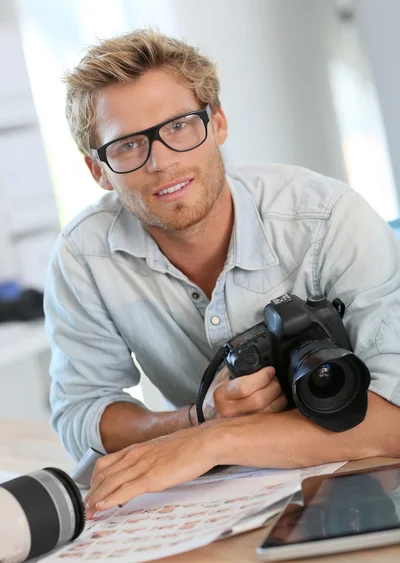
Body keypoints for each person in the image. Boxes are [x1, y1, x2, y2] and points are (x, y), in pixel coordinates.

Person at [43, 29, 400, 518]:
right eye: (127, 146)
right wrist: (196, 418)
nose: (162, 162)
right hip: (229, 508)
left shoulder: (329, 219)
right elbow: (81, 411)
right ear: (97, 170)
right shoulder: (84, 256)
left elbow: (395, 419)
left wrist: (213, 441)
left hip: (369, 486)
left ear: (219, 123)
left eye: (180, 126)